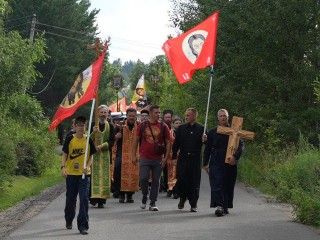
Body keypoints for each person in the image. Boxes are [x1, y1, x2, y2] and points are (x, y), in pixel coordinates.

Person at [203, 109, 244, 217]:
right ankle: (219, 206)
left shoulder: (235, 130)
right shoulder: (212, 131)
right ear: (218, 118)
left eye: (224, 115)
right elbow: (207, 148)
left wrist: (235, 157)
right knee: (217, 183)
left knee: (228, 184)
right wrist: (205, 163)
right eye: (220, 116)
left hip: (230, 160)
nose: (223, 117)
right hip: (216, 160)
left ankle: (225, 206)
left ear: (228, 117)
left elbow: (241, 146)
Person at [61, 115, 97, 235]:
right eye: (79, 125)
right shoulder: (70, 139)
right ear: (75, 126)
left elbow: (91, 156)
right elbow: (65, 154)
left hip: (84, 174)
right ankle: (69, 219)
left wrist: (88, 166)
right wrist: (63, 167)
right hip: (71, 174)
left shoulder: (88, 140)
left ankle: (83, 225)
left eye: (83, 125)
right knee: (71, 199)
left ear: (86, 126)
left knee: (84, 199)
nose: (81, 127)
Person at [132, 105, 171, 211]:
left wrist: (165, 158)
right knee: (143, 178)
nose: (158, 114)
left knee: (156, 181)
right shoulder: (143, 125)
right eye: (156, 112)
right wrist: (133, 155)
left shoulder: (163, 126)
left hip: (158, 158)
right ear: (150, 114)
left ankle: (153, 202)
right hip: (144, 157)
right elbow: (136, 140)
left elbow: (168, 143)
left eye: (159, 113)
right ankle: (145, 196)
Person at [172, 108, 206, 212]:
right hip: (183, 158)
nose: (186, 117)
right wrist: (173, 157)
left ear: (194, 116)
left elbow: (207, 145)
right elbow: (176, 144)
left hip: (195, 159)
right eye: (185, 115)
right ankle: (182, 198)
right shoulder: (181, 129)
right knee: (182, 180)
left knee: (194, 182)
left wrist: (205, 140)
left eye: (188, 115)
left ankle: (193, 203)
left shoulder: (202, 129)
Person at [89, 105, 115, 208]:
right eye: (101, 112)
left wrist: (102, 146)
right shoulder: (93, 124)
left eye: (105, 113)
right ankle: (94, 198)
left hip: (105, 155)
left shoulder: (111, 126)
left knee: (104, 177)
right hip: (94, 155)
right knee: (94, 177)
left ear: (107, 114)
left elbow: (112, 141)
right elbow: (88, 140)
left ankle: (102, 200)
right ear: (98, 113)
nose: (103, 114)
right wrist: (92, 133)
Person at [112, 108, 139, 203]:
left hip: (134, 153)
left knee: (133, 173)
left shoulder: (139, 126)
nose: (131, 117)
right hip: (121, 153)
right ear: (127, 116)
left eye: (133, 116)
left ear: (136, 117)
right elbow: (112, 139)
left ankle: (130, 195)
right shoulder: (120, 126)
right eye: (130, 116)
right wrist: (116, 136)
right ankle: (121, 194)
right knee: (118, 168)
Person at [161, 109, 173, 196]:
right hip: (163, 153)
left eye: (169, 117)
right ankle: (165, 187)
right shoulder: (160, 127)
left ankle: (171, 188)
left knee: (173, 172)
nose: (168, 119)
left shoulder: (174, 129)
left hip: (173, 153)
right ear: (163, 118)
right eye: (166, 117)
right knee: (164, 172)